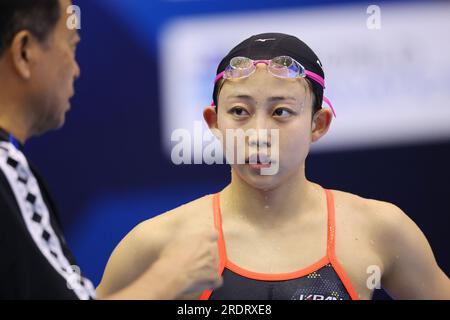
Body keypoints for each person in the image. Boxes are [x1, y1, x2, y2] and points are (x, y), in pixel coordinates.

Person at [97, 33, 450, 300]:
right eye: (239, 112)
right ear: (213, 122)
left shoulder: (379, 229)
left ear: (318, 124)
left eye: (281, 112)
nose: (259, 134)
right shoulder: (157, 242)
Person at [0, 0, 221, 300]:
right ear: (25, 51)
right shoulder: (7, 170)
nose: (76, 70)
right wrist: (172, 276)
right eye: (71, 46)